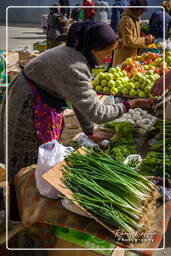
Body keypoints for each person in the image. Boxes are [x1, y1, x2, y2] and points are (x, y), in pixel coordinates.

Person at [0, 21, 154, 182]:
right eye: (108, 52)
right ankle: (19, 196)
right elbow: (98, 114)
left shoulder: (77, 53)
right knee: (27, 159)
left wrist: (89, 132)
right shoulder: (76, 66)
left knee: (41, 156)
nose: (109, 58)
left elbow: (78, 98)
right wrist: (131, 104)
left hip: (34, 95)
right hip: (27, 102)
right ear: (93, 49)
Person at [113, 0, 155, 66]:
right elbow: (128, 41)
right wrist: (144, 39)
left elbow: (135, 37)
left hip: (131, 58)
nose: (142, 13)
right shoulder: (126, 20)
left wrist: (142, 37)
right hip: (123, 59)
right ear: (136, 8)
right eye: (142, 10)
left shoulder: (135, 19)